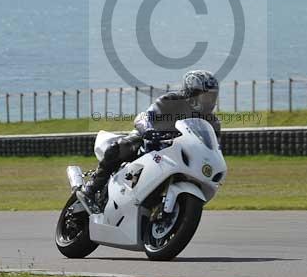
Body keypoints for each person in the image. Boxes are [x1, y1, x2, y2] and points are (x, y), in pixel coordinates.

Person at [77, 70, 221, 212]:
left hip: (177, 153)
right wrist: (148, 131)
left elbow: (214, 147)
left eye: (212, 97)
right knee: (121, 147)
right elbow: (144, 117)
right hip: (151, 141)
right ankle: (92, 187)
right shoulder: (171, 101)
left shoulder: (212, 122)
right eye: (206, 97)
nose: (210, 102)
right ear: (191, 93)